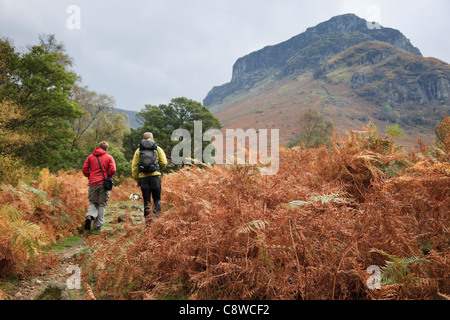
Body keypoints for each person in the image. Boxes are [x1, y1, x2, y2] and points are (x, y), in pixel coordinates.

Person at [132, 132, 167, 224]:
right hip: (155, 177)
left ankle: (148, 222)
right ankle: (157, 220)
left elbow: (134, 167)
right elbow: (164, 162)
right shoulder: (157, 149)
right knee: (157, 199)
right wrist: (158, 170)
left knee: (146, 200)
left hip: (143, 178)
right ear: (152, 138)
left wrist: (137, 179)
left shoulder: (138, 151)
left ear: (143, 139)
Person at [82, 141, 116, 232]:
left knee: (93, 202)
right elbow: (113, 169)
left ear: (98, 147)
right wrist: (108, 176)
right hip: (103, 184)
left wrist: (90, 176)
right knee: (102, 204)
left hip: (92, 183)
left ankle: (90, 216)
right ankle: (97, 226)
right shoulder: (109, 157)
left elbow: (84, 169)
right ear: (106, 149)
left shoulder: (90, 157)